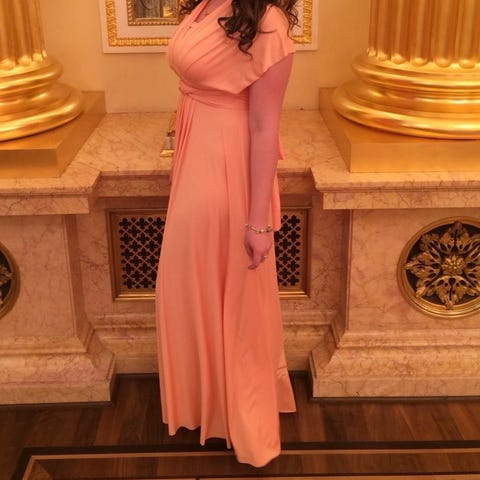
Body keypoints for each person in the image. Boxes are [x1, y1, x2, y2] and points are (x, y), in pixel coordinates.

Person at [155, 0, 297, 467]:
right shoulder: (205, 4)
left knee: (231, 292)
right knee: (191, 283)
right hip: (196, 152)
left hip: (226, 165)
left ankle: (241, 413)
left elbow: (264, 127)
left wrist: (258, 222)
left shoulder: (268, 23)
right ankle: (207, 402)